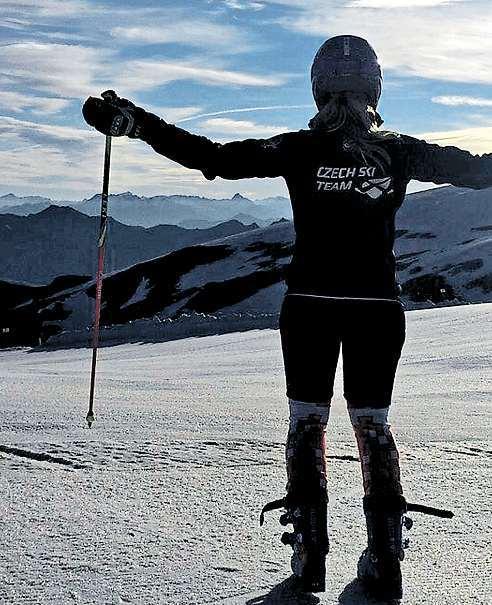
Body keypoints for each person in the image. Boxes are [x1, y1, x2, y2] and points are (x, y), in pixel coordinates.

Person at [82, 35, 492, 601]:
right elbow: (482, 171)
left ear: (317, 88)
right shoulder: (403, 151)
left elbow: (214, 158)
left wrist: (135, 122)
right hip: (377, 308)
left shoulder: (298, 148)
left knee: (308, 423)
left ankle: (309, 551)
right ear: (376, 88)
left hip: (310, 307)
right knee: (372, 424)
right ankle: (386, 555)